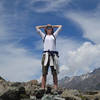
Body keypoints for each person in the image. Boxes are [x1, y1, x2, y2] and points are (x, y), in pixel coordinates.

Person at [35, 24, 62, 90]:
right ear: (46, 30)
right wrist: (45, 26)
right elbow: (37, 27)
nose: (49, 29)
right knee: (44, 72)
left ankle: (55, 88)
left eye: (50, 28)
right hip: (45, 55)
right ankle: (42, 87)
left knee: (54, 73)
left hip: (53, 56)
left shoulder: (54, 35)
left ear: (52, 29)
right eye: (48, 28)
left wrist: (52, 26)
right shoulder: (44, 36)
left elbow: (60, 26)